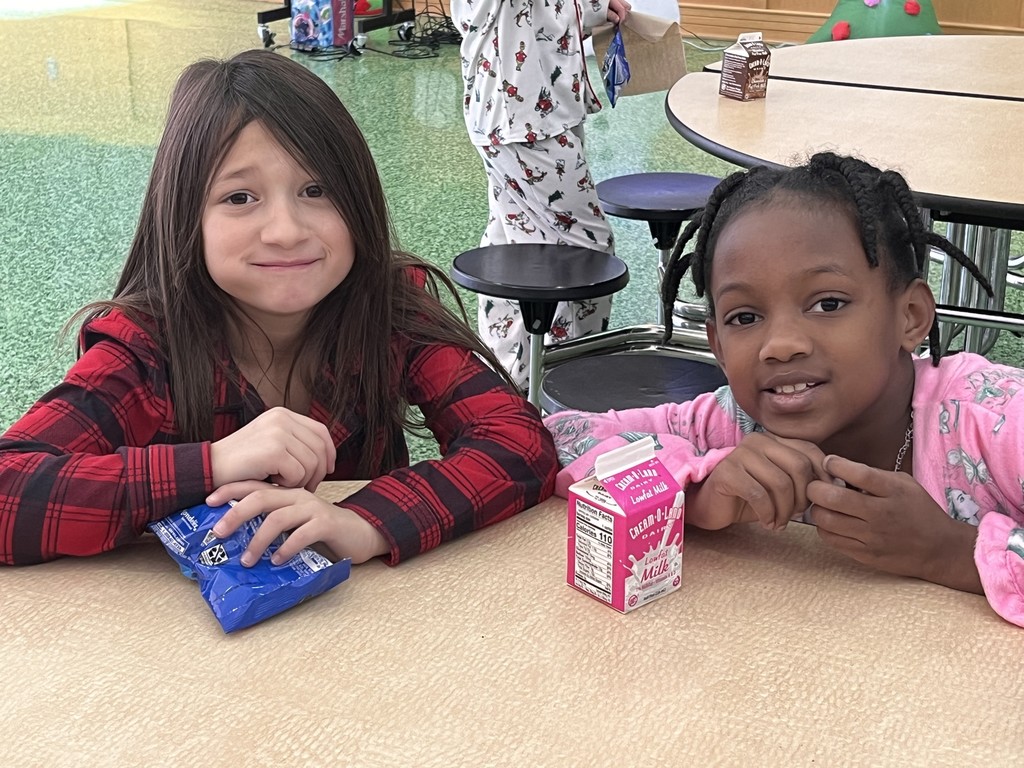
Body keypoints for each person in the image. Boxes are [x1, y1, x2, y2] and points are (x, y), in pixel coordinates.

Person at [0, 49, 557, 568]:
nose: (286, 231)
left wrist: (366, 523)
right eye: (240, 198)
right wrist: (213, 462)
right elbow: (8, 488)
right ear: (185, 218)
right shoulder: (146, 345)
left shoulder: (387, 309)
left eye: (316, 190)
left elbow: (519, 443)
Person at [544, 152, 1024, 627]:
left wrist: (948, 551)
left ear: (910, 316)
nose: (780, 345)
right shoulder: (732, 423)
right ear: (718, 345)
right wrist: (699, 490)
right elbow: (559, 439)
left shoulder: (998, 421)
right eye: (745, 317)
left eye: (828, 304)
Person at [451, 0, 631, 388]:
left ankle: (510, 377)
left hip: (529, 110)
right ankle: (569, 379)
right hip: (525, 118)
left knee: (516, 244)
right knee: (586, 251)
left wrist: (596, 8)